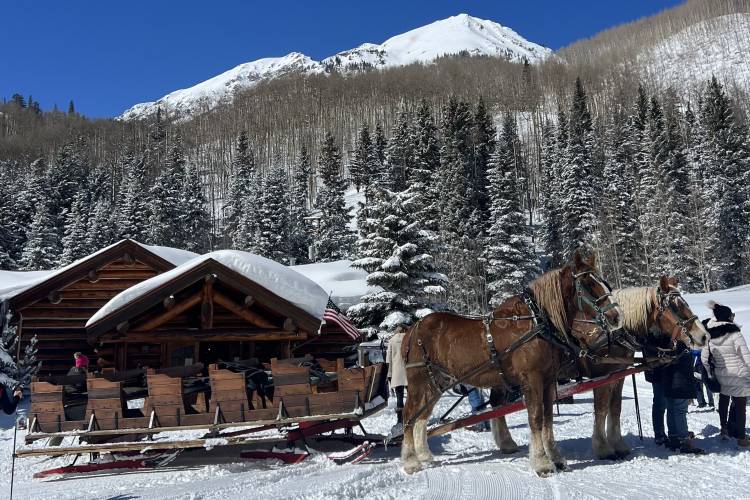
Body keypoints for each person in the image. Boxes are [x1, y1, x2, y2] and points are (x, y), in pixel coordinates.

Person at [644, 333, 704, 453]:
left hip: (668, 374)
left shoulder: (671, 336)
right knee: (663, 404)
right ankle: (664, 435)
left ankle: (674, 436)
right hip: (661, 374)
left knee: (670, 405)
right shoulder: (654, 334)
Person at [701, 301, 750, 447]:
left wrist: (711, 373)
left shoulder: (710, 336)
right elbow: (746, 356)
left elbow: (704, 358)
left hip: (721, 375)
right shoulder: (735, 334)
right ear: (728, 317)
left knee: (724, 400)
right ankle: (741, 437)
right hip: (739, 375)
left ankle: (724, 429)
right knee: (740, 405)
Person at [386, 326, 408, 432]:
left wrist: (389, 375)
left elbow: (388, 360)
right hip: (409, 372)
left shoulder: (392, 341)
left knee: (399, 398)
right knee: (411, 397)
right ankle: (411, 418)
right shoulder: (409, 339)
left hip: (397, 373)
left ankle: (400, 420)